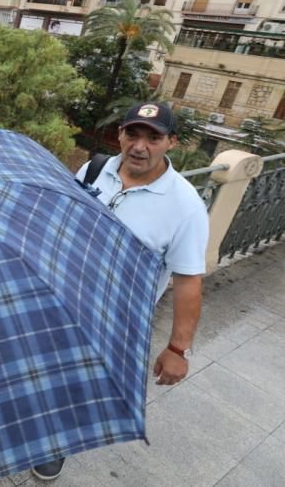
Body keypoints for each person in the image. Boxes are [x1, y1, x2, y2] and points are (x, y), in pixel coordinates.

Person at [32, 102, 208, 481]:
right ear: (120, 135)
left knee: (80, 383)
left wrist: (178, 349)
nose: (140, 146)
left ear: (171, 143)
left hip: (115, 318)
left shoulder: (186, 206)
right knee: (41, 365)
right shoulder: (93, 169)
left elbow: (189, 279)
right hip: (62, 294)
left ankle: (55, 443)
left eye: (153, 137)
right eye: (133, 134)